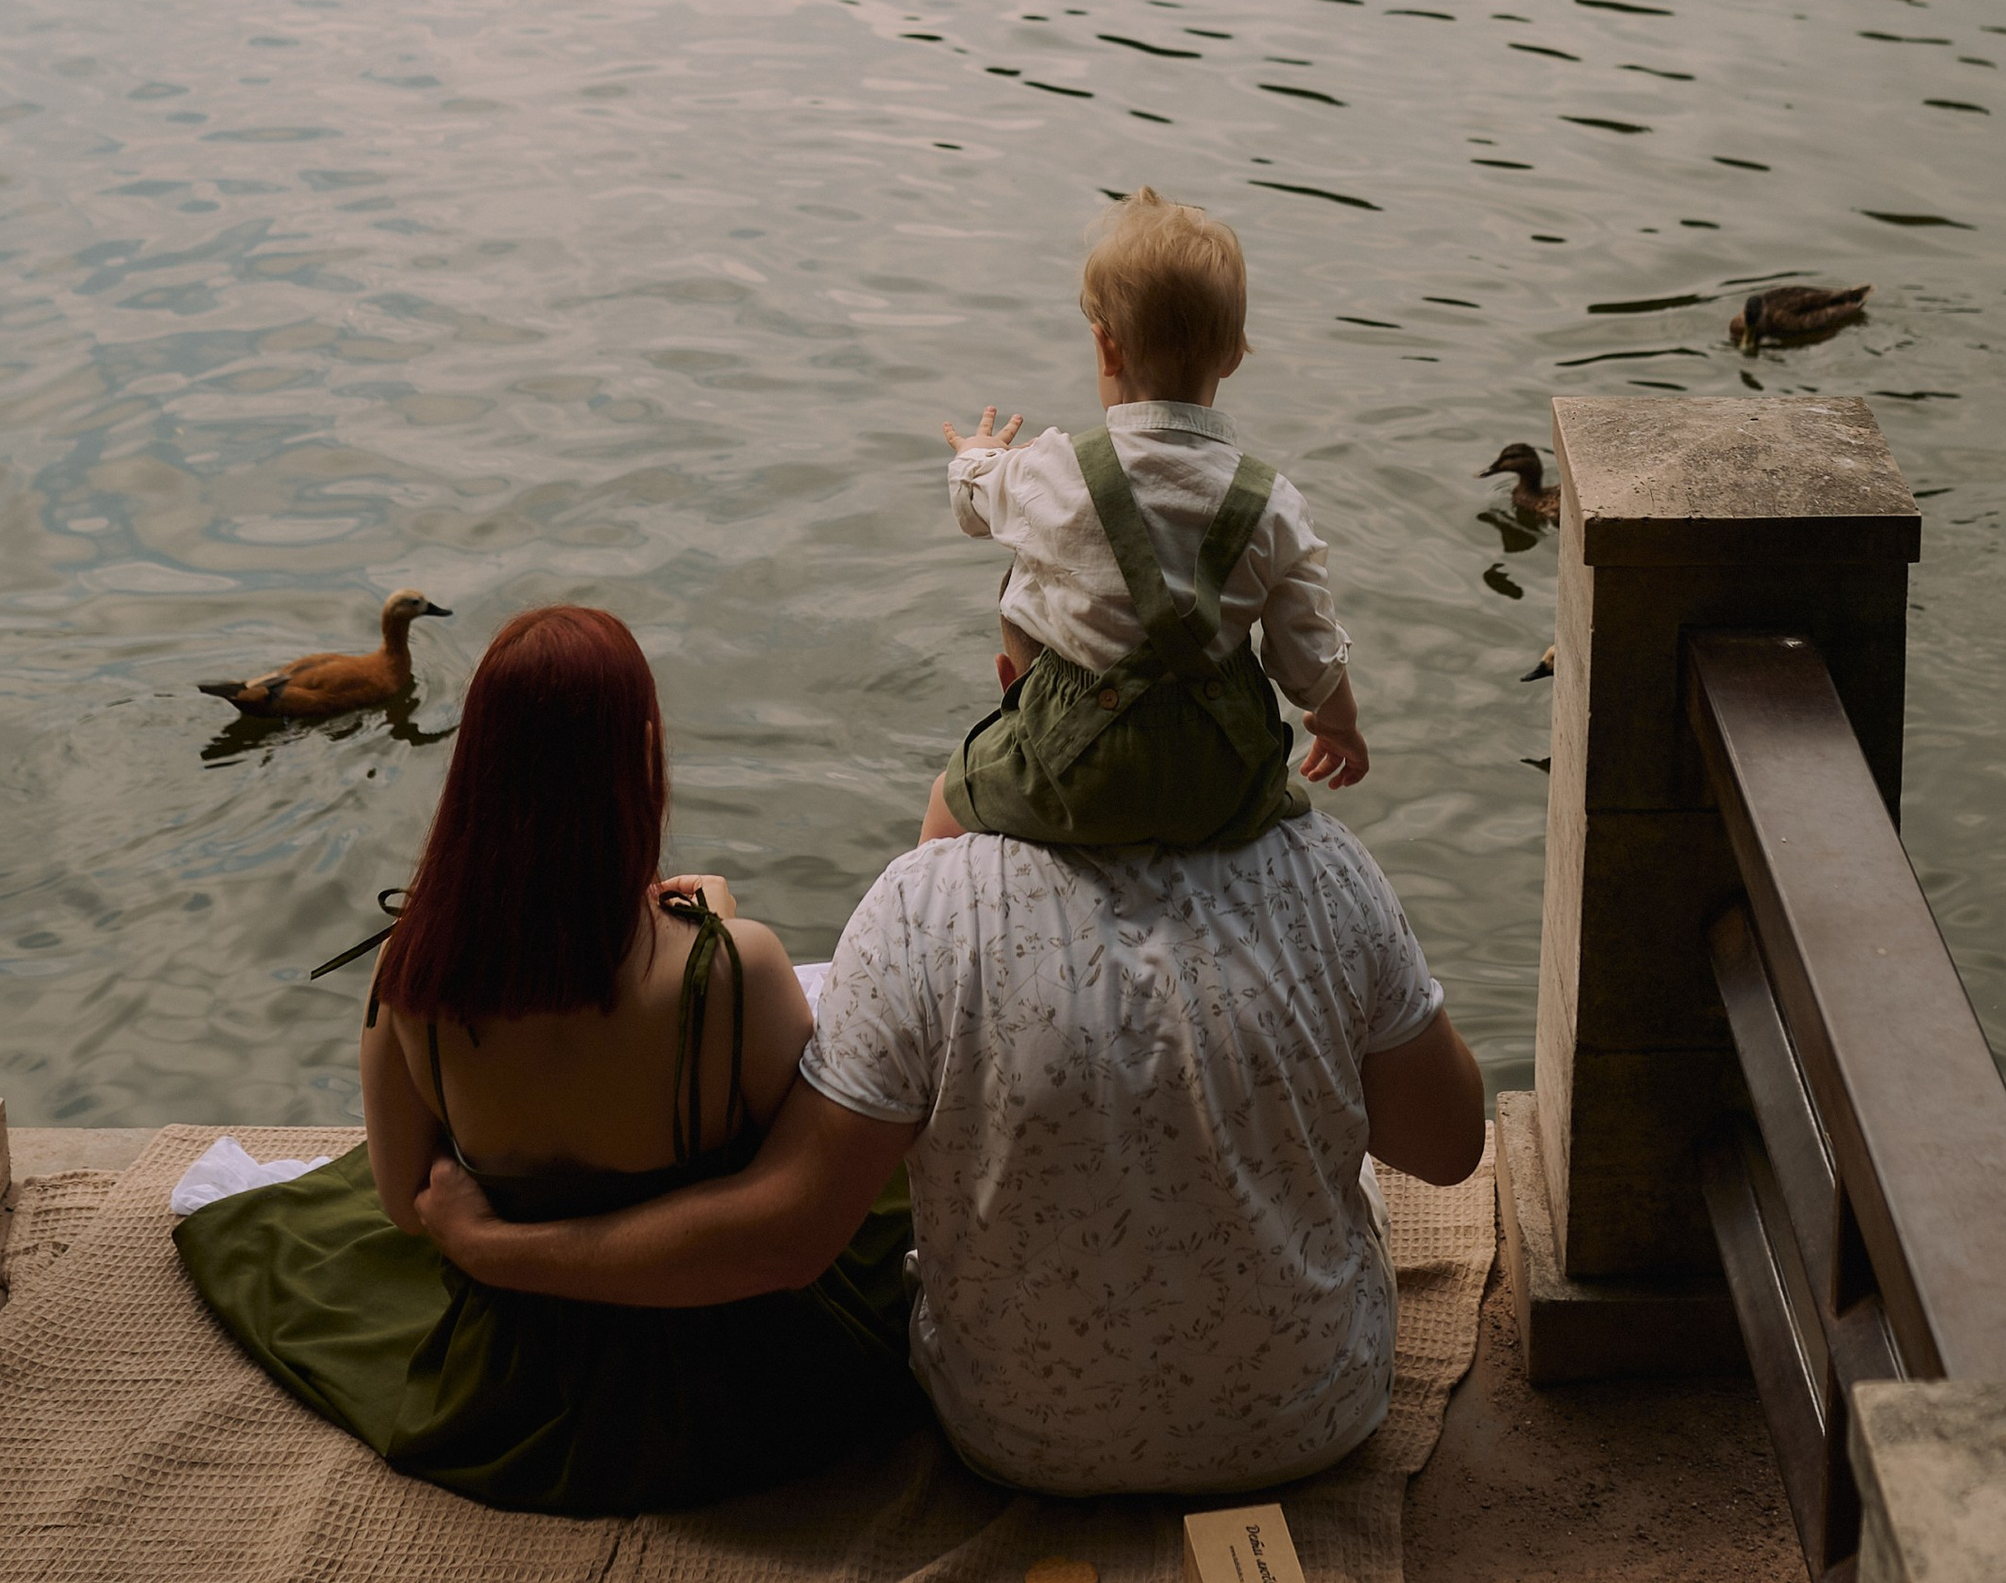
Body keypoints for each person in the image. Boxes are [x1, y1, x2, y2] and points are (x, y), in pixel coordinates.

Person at [414, 778, 1487, 1499]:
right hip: (1315, 1421)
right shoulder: (1326, 866)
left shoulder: (923, 903)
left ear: (1008, 672)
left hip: (1020, 1439)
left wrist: (497, 1248)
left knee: (911, 1126)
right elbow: (1445, 1146)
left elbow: (786, 1238)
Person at [175, 605, 924, 1512]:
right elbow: (790, 1172)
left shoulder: (411, 975)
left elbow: (405, 1207)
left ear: (478, 768)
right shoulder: (735, 968)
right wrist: (717, 937)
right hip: (741, 1374)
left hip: (518, 1378)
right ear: (642, 754)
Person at [920, 187, 1370, 855]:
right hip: (1220, 783)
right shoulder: (1271, 501)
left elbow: (973, 500)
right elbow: (1310, 653)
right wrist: (1340, 728)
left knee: (948, 796)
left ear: (1105, 349)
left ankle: (921, 924)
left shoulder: (1050, 470)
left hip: (1073, 775)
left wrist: (979, 456)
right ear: (1235, 355)